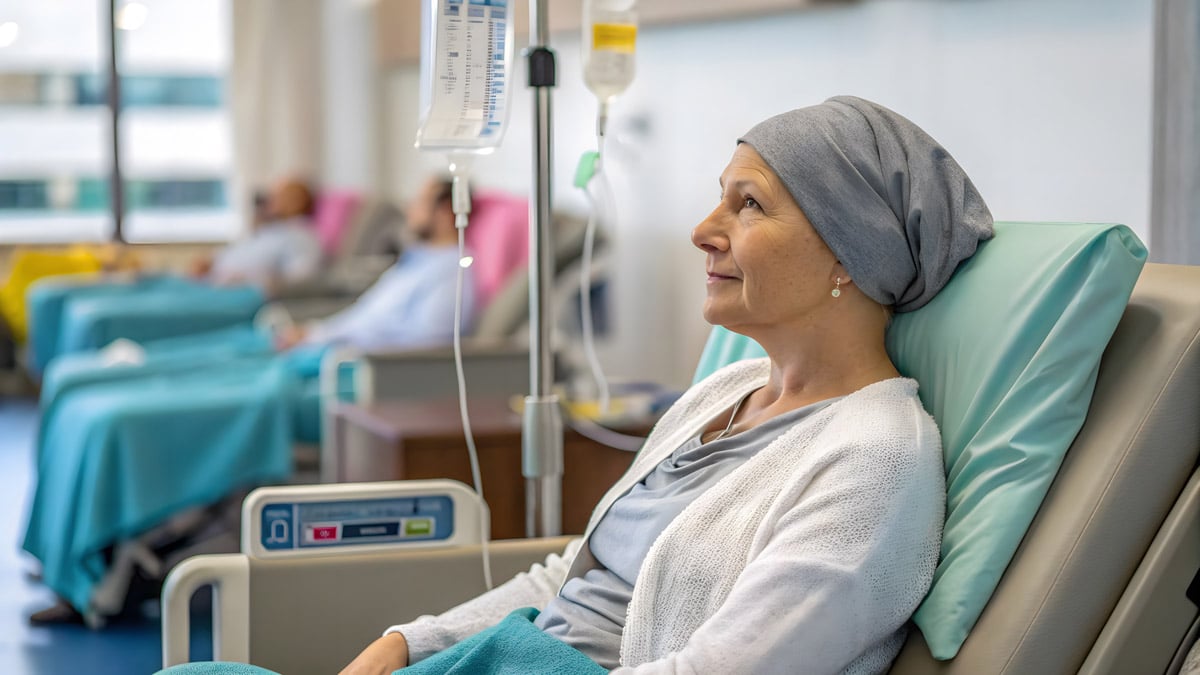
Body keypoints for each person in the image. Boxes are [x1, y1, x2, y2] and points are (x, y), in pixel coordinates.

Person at [336, 95, 993, 674]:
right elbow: (578, 575)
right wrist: (409, 642)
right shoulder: (724, 392)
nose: (703, 232)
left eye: (750, 204)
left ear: (851, 252)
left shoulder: (874, 462)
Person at [274, 175, 474, 352]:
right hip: (332, 346)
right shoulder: (417, 259)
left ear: (445, 211)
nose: (410, 209)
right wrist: (314, 333)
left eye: (420, 201)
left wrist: (325, 342)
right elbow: (365, 316)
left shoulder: (453, 270)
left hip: (359, 363)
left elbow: (427, 346)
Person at [190, 176, 323, 294]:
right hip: (210, 282)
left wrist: (245, 279)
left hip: (235, 293)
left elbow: (298, 281)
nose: (270, 199)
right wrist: (212, 262)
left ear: (297, 201)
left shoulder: (302, 237)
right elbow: (242, 252)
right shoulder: (271, 230)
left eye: (278, 195)